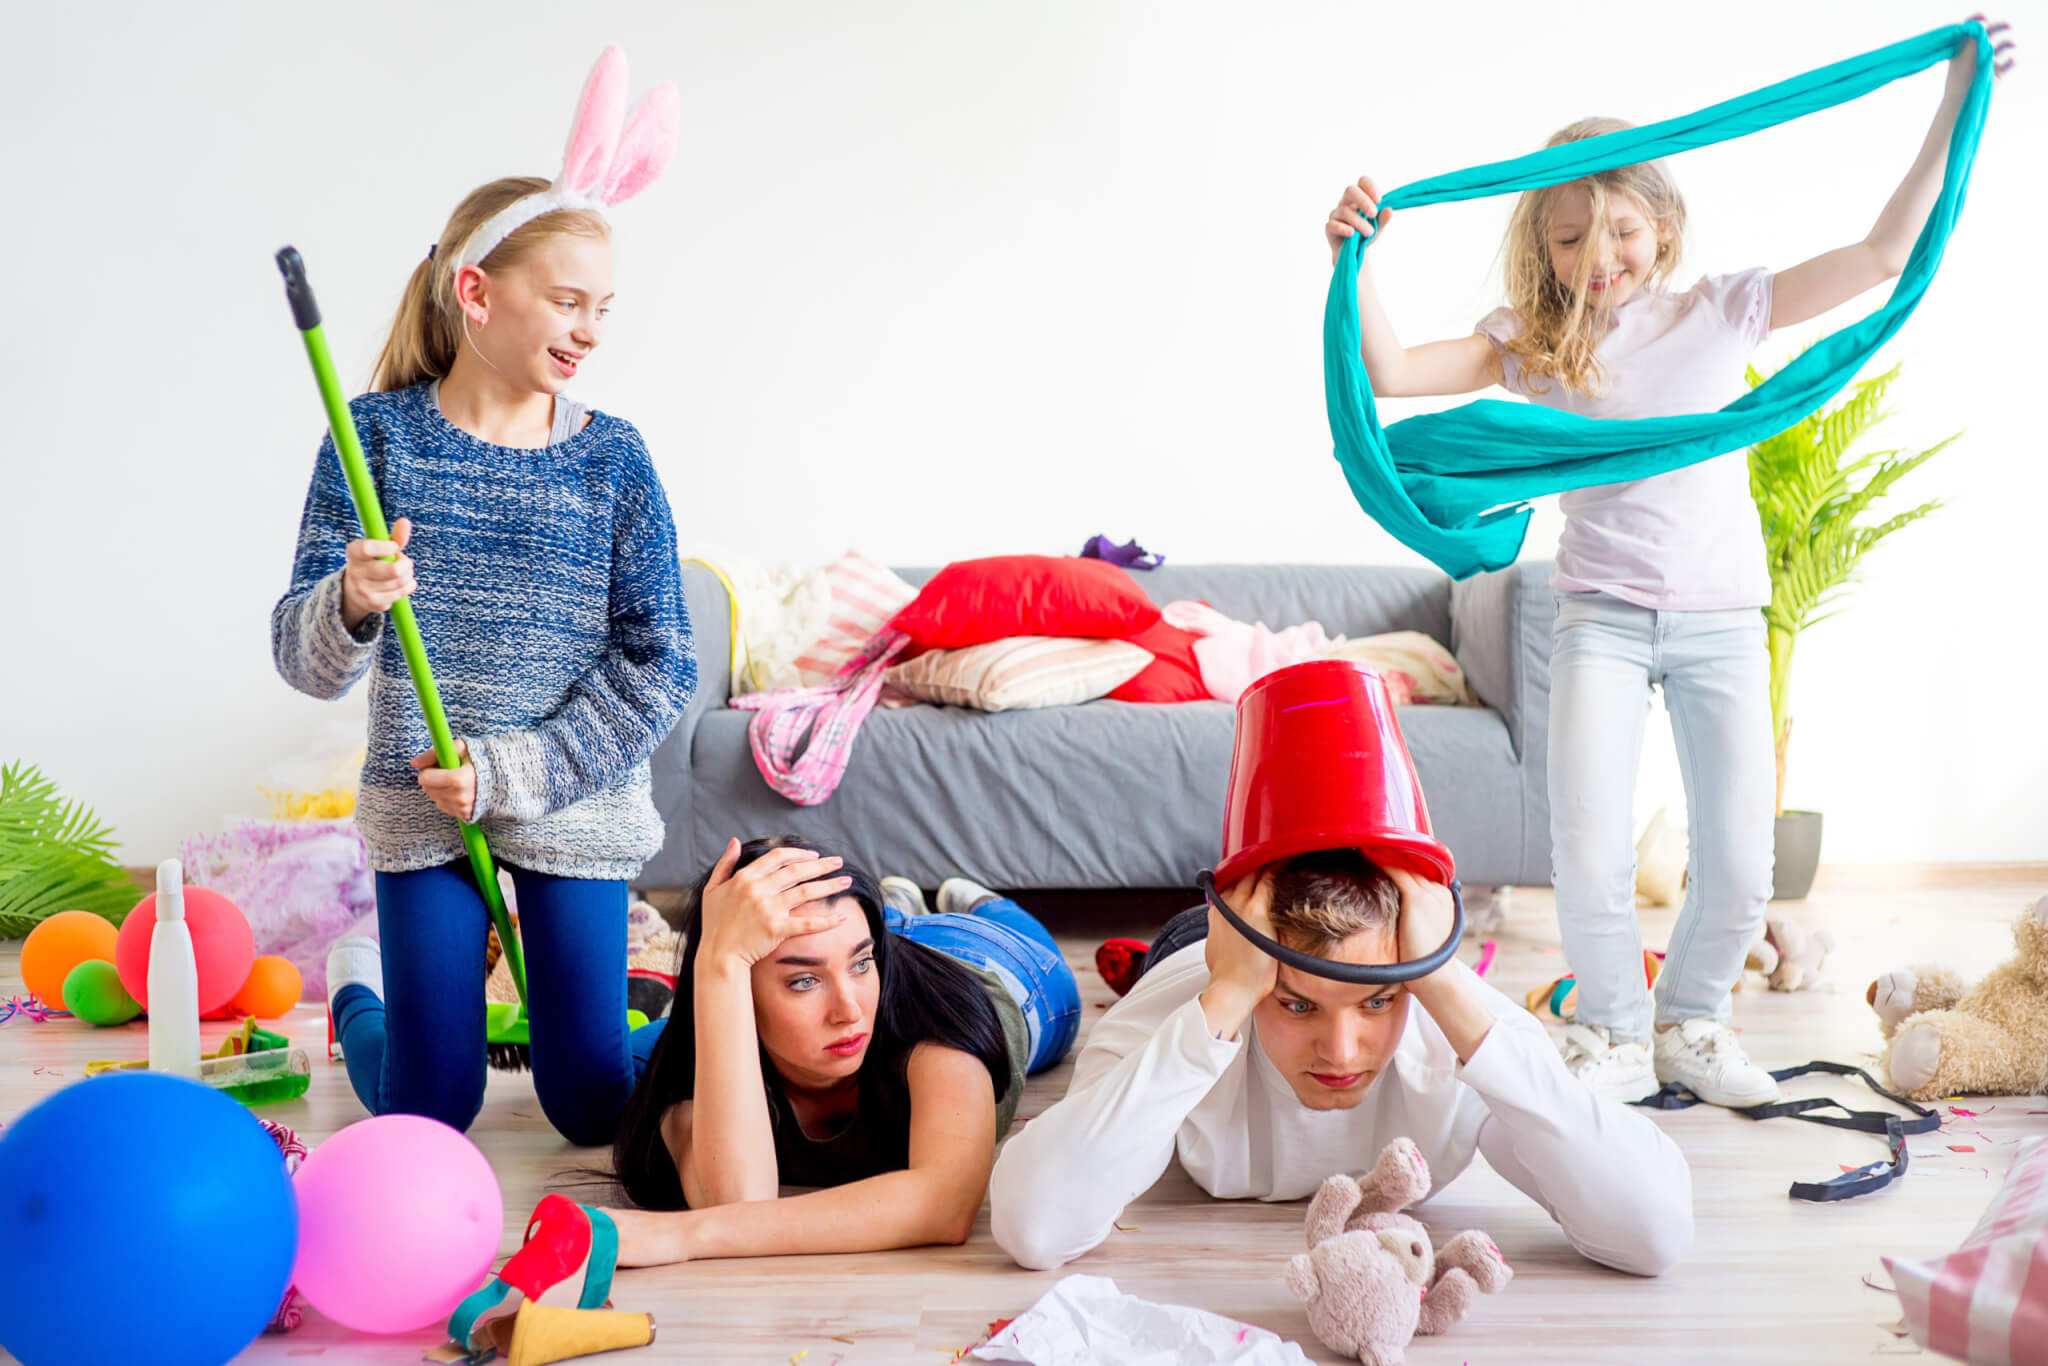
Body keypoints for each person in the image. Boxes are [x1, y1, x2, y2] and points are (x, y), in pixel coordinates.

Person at [1318, 18, 2014, 1104]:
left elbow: (1882, 255)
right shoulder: (1534, 345)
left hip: (1720, 620)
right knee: (1588, 846)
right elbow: (1395, 370)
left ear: (1664, 228)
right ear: (1541, 247)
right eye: (1568, 238)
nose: (1597, 258)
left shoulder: (1723, 310)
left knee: (1737, 862)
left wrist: (1949, 106)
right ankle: (1609, 1031)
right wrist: (1351, 255)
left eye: (1622, 230)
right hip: (1597, 617)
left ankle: (1693, 1026)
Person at [276, 74, 693, 1144]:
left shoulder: (615, 459)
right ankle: (359, 989)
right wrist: (350, 602)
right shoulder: (374, 441)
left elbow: (662, 666)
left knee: (593, 1104)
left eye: (602, 308)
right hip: (424, 808)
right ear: (475, 292)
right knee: (431, 1107)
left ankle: (696, 1014)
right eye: (568, 301)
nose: (589, 331)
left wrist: (511, 771)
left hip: (570, 798)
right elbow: (303, 660)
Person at [990, 851, 1691, 1275]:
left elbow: (1653, 1233)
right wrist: (1228, 993)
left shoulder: (1457, 1015)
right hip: (1194, 950)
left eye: (1377, 1002)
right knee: (1111, 969)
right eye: (1297, 1006)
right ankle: (1008, 910)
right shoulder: (1180, 1009)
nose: (1343, 1052)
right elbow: (1034, 1228)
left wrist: (1443, 988)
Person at [595, 837, 1079, 1266]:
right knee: (847, 940)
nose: (849, 1011)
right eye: (803, 981)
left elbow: (943, 1206)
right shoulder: (690, 1061)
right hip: (864, 939)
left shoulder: (937, 1027)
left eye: (862, 964)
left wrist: (684, 1235)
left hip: (982, 959)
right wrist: (720, 960)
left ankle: (982, 902)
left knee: (1025, 951)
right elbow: (738, 1203)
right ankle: (886, 917)